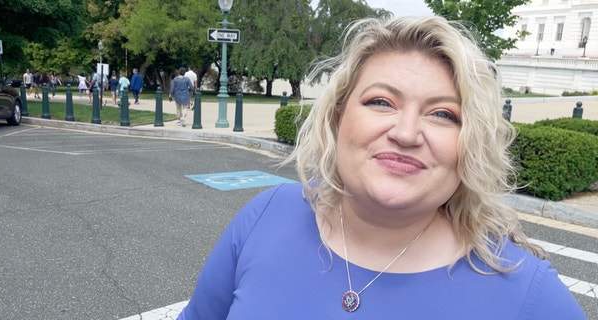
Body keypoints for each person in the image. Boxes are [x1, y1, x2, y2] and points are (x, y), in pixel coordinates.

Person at [177, 16, 587, 319]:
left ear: (471, 144)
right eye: (380, 102)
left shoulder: (526, 293)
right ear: (338, 117)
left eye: (443, 114)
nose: (406, 132)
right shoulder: (265, 217)